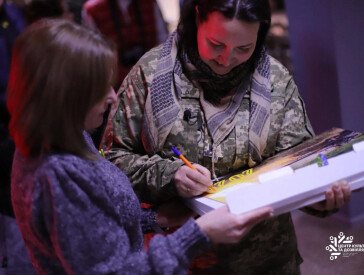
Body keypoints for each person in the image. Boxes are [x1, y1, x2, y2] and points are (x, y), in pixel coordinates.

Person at [7, 18, 273, 274]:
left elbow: (96, 232)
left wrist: (156, 219)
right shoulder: (60, 176)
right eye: (100, 88)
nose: (112, 97)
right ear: (68, 96)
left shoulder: (64, 138)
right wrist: (198, 235)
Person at [104, 0, 351, 273]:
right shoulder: (150, 74)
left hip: (267, 260)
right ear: (197, 17)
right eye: (216, 44)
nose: (226, 59)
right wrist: (169, 175)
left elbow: (298, 162)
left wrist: (318, 194)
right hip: (181, 259)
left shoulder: (275, 81)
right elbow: (111, 161)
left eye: (244, 48)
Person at [82, 0, 169, 87]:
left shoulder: (149, 2)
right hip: (117, 86)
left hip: (154, 78)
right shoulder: (93, 10)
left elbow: (163, 42)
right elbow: (96, 59)